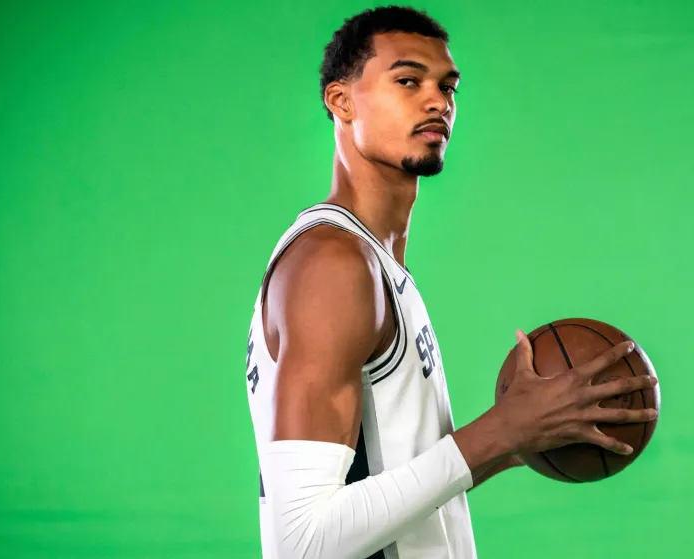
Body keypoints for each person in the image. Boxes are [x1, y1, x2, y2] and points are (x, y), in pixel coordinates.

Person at [243, 6, 658, 559]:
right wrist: (499, 432)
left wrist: (517, 442)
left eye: (447, 87)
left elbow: (388, 488)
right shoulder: (332, 265)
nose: (438, 101)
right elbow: (302, 542)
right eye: (408, 81)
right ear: (341, 101)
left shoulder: (377, 262)